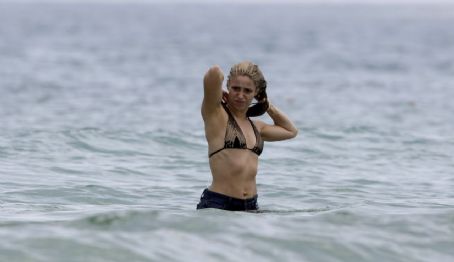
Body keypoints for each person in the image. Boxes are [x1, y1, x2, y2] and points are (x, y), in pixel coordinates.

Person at [197, 61, 298, 211]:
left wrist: (266, 104)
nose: (240, 95)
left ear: (255, 93)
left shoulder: (256, 126)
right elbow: (214, 72)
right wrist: (218, 93)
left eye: (247, 91)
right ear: (228, 87)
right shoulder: (216, 115)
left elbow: (291, 131)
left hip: (251, 206)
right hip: (219, 203)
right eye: (235, 88)